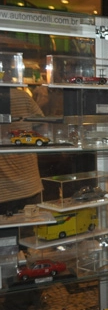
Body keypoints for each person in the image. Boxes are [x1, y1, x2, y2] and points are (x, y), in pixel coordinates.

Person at [0, 87, 44, 215]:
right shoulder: (22, 96)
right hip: (29, 185)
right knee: (30, 233)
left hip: (5, 192)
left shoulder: (22, 96)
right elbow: (43, 126)